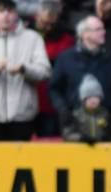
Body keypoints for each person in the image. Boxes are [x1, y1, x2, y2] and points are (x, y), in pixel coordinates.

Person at [49, 15, 111, 140]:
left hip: (107, 127)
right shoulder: (65, 58)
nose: (103, 32)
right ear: (84, 34)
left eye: (103, 29)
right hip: (74, 128)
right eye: (98, 29)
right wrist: (63, 110)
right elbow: (54, 89)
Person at [0, 0, 51, 141]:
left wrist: (24, 69)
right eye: (1, 11)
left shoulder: (33, 38)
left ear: (17, 14)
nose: (6, 15)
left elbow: (45, 72)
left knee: (21, 162)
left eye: (10, 11)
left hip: (23, 117)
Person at [30, 0, 74, 137]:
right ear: (36, 16)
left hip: (51, 102)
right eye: (44, 23)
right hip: (29, 99)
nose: (47, 27)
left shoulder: (67, 38)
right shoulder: (26, 34)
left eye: (51, 24)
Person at [62, 74, 111, 143]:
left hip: (102, 150)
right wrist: (81, 138)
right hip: (81, 150)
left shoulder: (105, 114)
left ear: (100, 98)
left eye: (96, 97)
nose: (93, 100)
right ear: (83, 100)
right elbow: (67, 135)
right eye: (89, 98)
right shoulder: (76, 115)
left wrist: (108, 137)